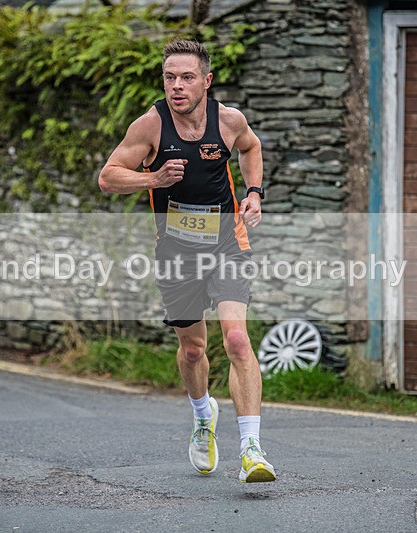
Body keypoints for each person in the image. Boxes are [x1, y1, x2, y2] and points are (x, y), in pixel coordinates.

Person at [98, 39, 275, 483]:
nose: (177, 86)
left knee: (236, 340)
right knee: (193, 349)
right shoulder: (151, 127)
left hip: (227, 243)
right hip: (175, 252)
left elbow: (251, 149)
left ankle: (252, 449)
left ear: (207, 81)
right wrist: (152, 178)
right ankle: (203, 416)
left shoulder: (230, 121)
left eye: (187, 77)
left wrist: (254, 194)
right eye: (169, 77)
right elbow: (107, 177)